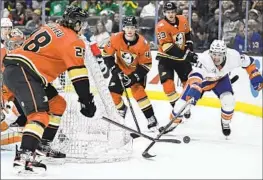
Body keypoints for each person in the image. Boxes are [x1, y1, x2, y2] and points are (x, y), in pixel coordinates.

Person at [3, 6, 96, 173]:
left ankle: (42, 145)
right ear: (75, 23)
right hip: (24, 72)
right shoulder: (73, 40)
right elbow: (78, 74)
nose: (83, 27)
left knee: (58, 104)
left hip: (23, 71)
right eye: (81, 23)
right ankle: (24, 156)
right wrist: (86, 100)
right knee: (39, 115)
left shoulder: (52, 26)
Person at [161, 40, 263, 136]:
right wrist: (195, 88)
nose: (216, 58)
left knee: (229, 101)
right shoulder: (204, 59)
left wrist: (255, 75)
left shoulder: (234, 56)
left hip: (220, 80)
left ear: (225, 54)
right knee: (181, 104)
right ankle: (172, 124)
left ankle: (225, 123)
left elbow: (250, 63)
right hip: (202, 82)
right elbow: (196, 75)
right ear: (210, 53)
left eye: (219, 55)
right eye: (214, 54)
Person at [102, 16, 159, 131]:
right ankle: (122, 109)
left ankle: (151, 118)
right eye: (127, 27)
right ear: (123, 28)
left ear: (136, 28)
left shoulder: (143, 43)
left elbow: (146, 65)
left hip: (136, 72)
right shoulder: (115, 39)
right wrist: (115, 70)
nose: (129, 30)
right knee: (113, 94)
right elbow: (106, 55)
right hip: (120, 71)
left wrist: (132, 78)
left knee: (139, 94)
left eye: (132, 27)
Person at [155, 2, 197, 123]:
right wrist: (187, 55)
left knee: (189, 85)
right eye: (168, 12)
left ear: (176, 11)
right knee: (168, 87)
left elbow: (187, 35)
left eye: (173, 12)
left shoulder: (183, 19)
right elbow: (168, 47)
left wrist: (189, 48)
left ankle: (186, 106)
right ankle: (178, 110)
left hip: (182, 60)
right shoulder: (161, 26)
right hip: (166, 59)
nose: (171, 14)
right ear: (164, 13)